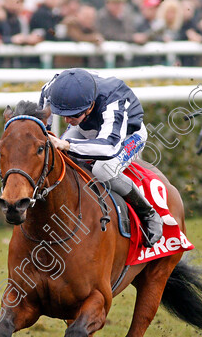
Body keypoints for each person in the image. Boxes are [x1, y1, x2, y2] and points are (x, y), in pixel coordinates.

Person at [40, 68, 163, 246]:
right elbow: (44, 101)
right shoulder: (57, 86)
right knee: (61, 158)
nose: (66, 120)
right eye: (63, 114)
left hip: (126, 136)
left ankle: (148, 213)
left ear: (90, 106)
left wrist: (67, 144)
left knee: (102, 170)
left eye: (73, 115)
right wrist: (45, 129)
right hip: (88, 129)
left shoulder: (114, 98)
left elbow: (108, 148)